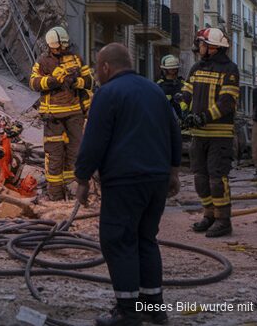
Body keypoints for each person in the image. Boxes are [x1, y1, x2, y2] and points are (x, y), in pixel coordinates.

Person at [75, 44, 182, 326]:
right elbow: (174, 131)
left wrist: (82, 178)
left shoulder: (107, 94)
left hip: (125, 181)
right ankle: (154, 308)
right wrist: (173, 172)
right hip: (156, 179)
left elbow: (94, 141)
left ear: (106, 67)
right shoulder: (155, 91)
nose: (97, 74)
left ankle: (128, 312)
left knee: (118, 240)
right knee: (146, 239)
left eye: (98, 68)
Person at [179, 27, 240, 238]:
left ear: (213, 47)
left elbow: (226, 103)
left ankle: (223, 220)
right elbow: (187, 93)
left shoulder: (230, 70)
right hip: (199, 134)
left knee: (217, 178)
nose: (200, 47)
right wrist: (182, 110)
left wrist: (203, 117)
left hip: (219, 135)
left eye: (203, 44)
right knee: (200, 178)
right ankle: (209, 215)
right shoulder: (196, 68)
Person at [29, 26, 94, 201]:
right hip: (53, 117)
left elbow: (90, 81)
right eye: (58, 47)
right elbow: (34, 83)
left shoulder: (76, 59)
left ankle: (73, 191)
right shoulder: (43, 61)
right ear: (50, 46)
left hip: (75, 114)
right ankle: (55, 195)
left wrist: (76, 82)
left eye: (63, 47)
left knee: (75, 152)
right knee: (55, 154)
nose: (61, 50)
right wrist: (53, 80)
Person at [155, 54, 184, 120]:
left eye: (174, 69)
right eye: (171, 69)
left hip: (180, 120)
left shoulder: (182, 84)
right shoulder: (160, 85)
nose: (173, 70)